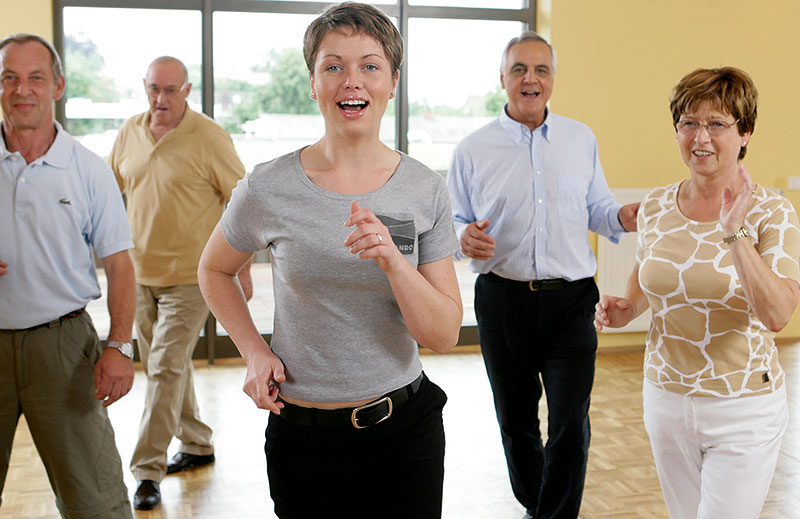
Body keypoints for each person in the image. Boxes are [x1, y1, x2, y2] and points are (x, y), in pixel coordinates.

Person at [198, 3, 462, 517]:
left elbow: (445, 334)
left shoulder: (425, 188)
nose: (351, 81)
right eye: (333, 66)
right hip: (305, 438)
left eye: (370, 65)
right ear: (313, 82)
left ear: (392, 82)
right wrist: (254, 351)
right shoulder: (268, 186)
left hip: (407, 432)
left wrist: (393, 261)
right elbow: (214, 270)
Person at [447, 31, 639, 519]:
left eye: (541, 70)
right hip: (502, 300)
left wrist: (621, 217)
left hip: (572, 301)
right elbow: (451, 220)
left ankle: (555, 515)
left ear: (552, 79)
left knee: (570, 423)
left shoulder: (581, 138)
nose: (530, 79)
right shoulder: (472, 149)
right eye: (519, 70)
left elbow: (597, 209)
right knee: (516, 422)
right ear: (503, 80)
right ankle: (539, 506)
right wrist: (464, 235)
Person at [594, 67, 800, 518]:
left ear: (745, 133)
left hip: (743, 406)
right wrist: (627, 308)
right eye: (689, 122)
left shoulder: (773, 212)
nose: (700, 138)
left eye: (717, 124)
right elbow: (651, 272)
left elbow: (778, 314)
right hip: (666, 398)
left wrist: (735, 233)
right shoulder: (656, 205)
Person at [0, 34, 136, 518]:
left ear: (57, 85)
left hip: (62, 347)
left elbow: (119, 265)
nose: (22, 90)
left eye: (35, 77)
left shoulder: (88, 169)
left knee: (95, 502)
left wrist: (119, 347)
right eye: (9, 77)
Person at [108, 56, 248, 510]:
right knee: (167, 367)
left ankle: (146, 471)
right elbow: (109, 195)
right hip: (138, 275)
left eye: (170, 90)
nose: (160, 99)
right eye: (153, 89)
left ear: (186, 90)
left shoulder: (209, 137)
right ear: (144, 86)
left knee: (165, 366)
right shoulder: (129, 132)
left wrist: (240, 267)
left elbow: (242, 201)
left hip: (192, 277)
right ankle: (198, 443)